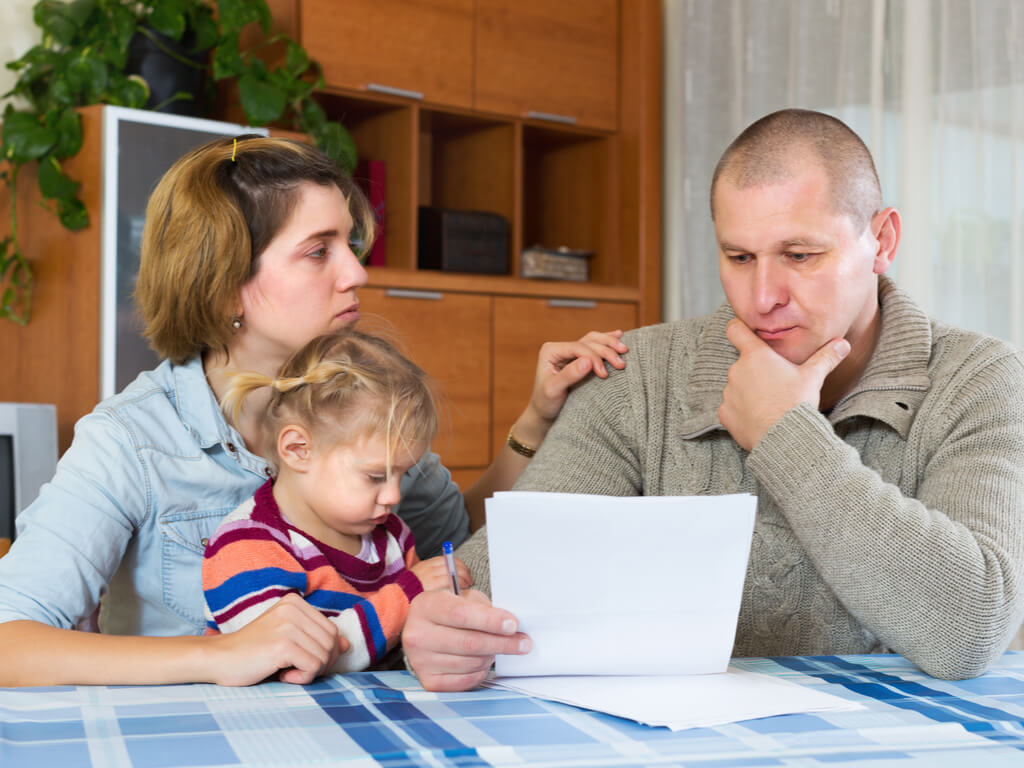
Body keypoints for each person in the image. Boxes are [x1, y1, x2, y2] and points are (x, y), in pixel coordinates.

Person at [402, 108, 1024, 689]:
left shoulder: (981, 379)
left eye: (799, 255)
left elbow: (969, 630)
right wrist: (440, 625)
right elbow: (497, 579)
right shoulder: (637, 373)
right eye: (739, 256)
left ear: (882, 240)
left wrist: (785, 434)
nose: (762, 297)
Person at [0, 135, 628, 686]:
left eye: (350, 245)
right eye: (319, 250)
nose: (356, 272)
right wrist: (218, 656)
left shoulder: (361, 393)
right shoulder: (130, 440)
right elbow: (9, 642)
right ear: (223, 286)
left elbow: (454, 537)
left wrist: (535, 423)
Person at [204, 328, 470, 673]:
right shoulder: (247, 546)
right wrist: (409, 594)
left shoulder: (392, 537)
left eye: (402, 475)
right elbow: (292, 662)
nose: (394, 496)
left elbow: (411, 637)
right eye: (375, 476)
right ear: (298, 450)